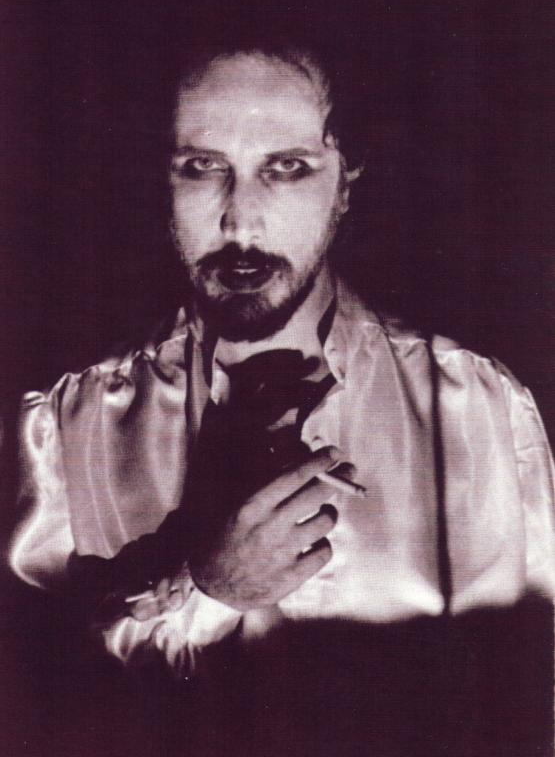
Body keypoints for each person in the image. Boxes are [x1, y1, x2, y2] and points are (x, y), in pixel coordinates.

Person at [6, 39, 555, 753]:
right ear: (161, 183)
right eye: (202, 168)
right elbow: (34, 709)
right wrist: (207, 590)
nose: (240, 222)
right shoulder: (63, 425)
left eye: (287, 169)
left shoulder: (480, 407)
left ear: (344, 186)